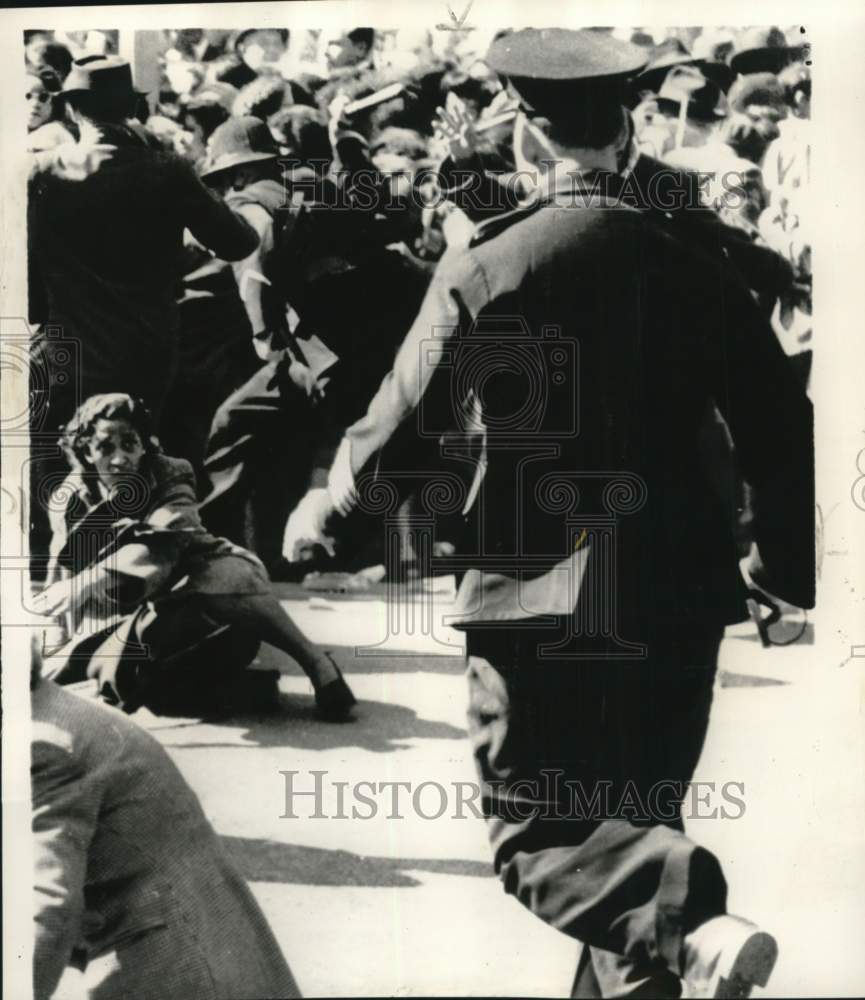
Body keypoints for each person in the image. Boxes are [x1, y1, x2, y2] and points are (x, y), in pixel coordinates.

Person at [284, 28, 814, 999]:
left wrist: (331, 502)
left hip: (537, 594)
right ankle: (684, 934)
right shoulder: (693, 252)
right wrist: (780, 572)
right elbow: (782, 420)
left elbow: (407, 411)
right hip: (676, 596)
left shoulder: (495, 259)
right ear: (628, 127)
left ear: (528, 136)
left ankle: (693, 910)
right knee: (628, 832)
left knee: (542, 834)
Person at [34, 393, 355, 720]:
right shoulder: (69, 497)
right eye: (105, 447)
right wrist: (54, 644)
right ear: (86, 451)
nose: (119, 459)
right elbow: (61, 574)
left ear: (145, 445)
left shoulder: (169, 474)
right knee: (118, 675)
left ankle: (316, 662)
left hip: (207, 602)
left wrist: (92, 579)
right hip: (131, 618)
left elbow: (163, 546)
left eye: (129, 443)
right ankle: (244, 690)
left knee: (232, 576)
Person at [31, 642, 302, 1000]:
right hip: (182, 942)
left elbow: (44, 910)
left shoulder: (41, 747)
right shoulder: (46, 709)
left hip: (170, 966)